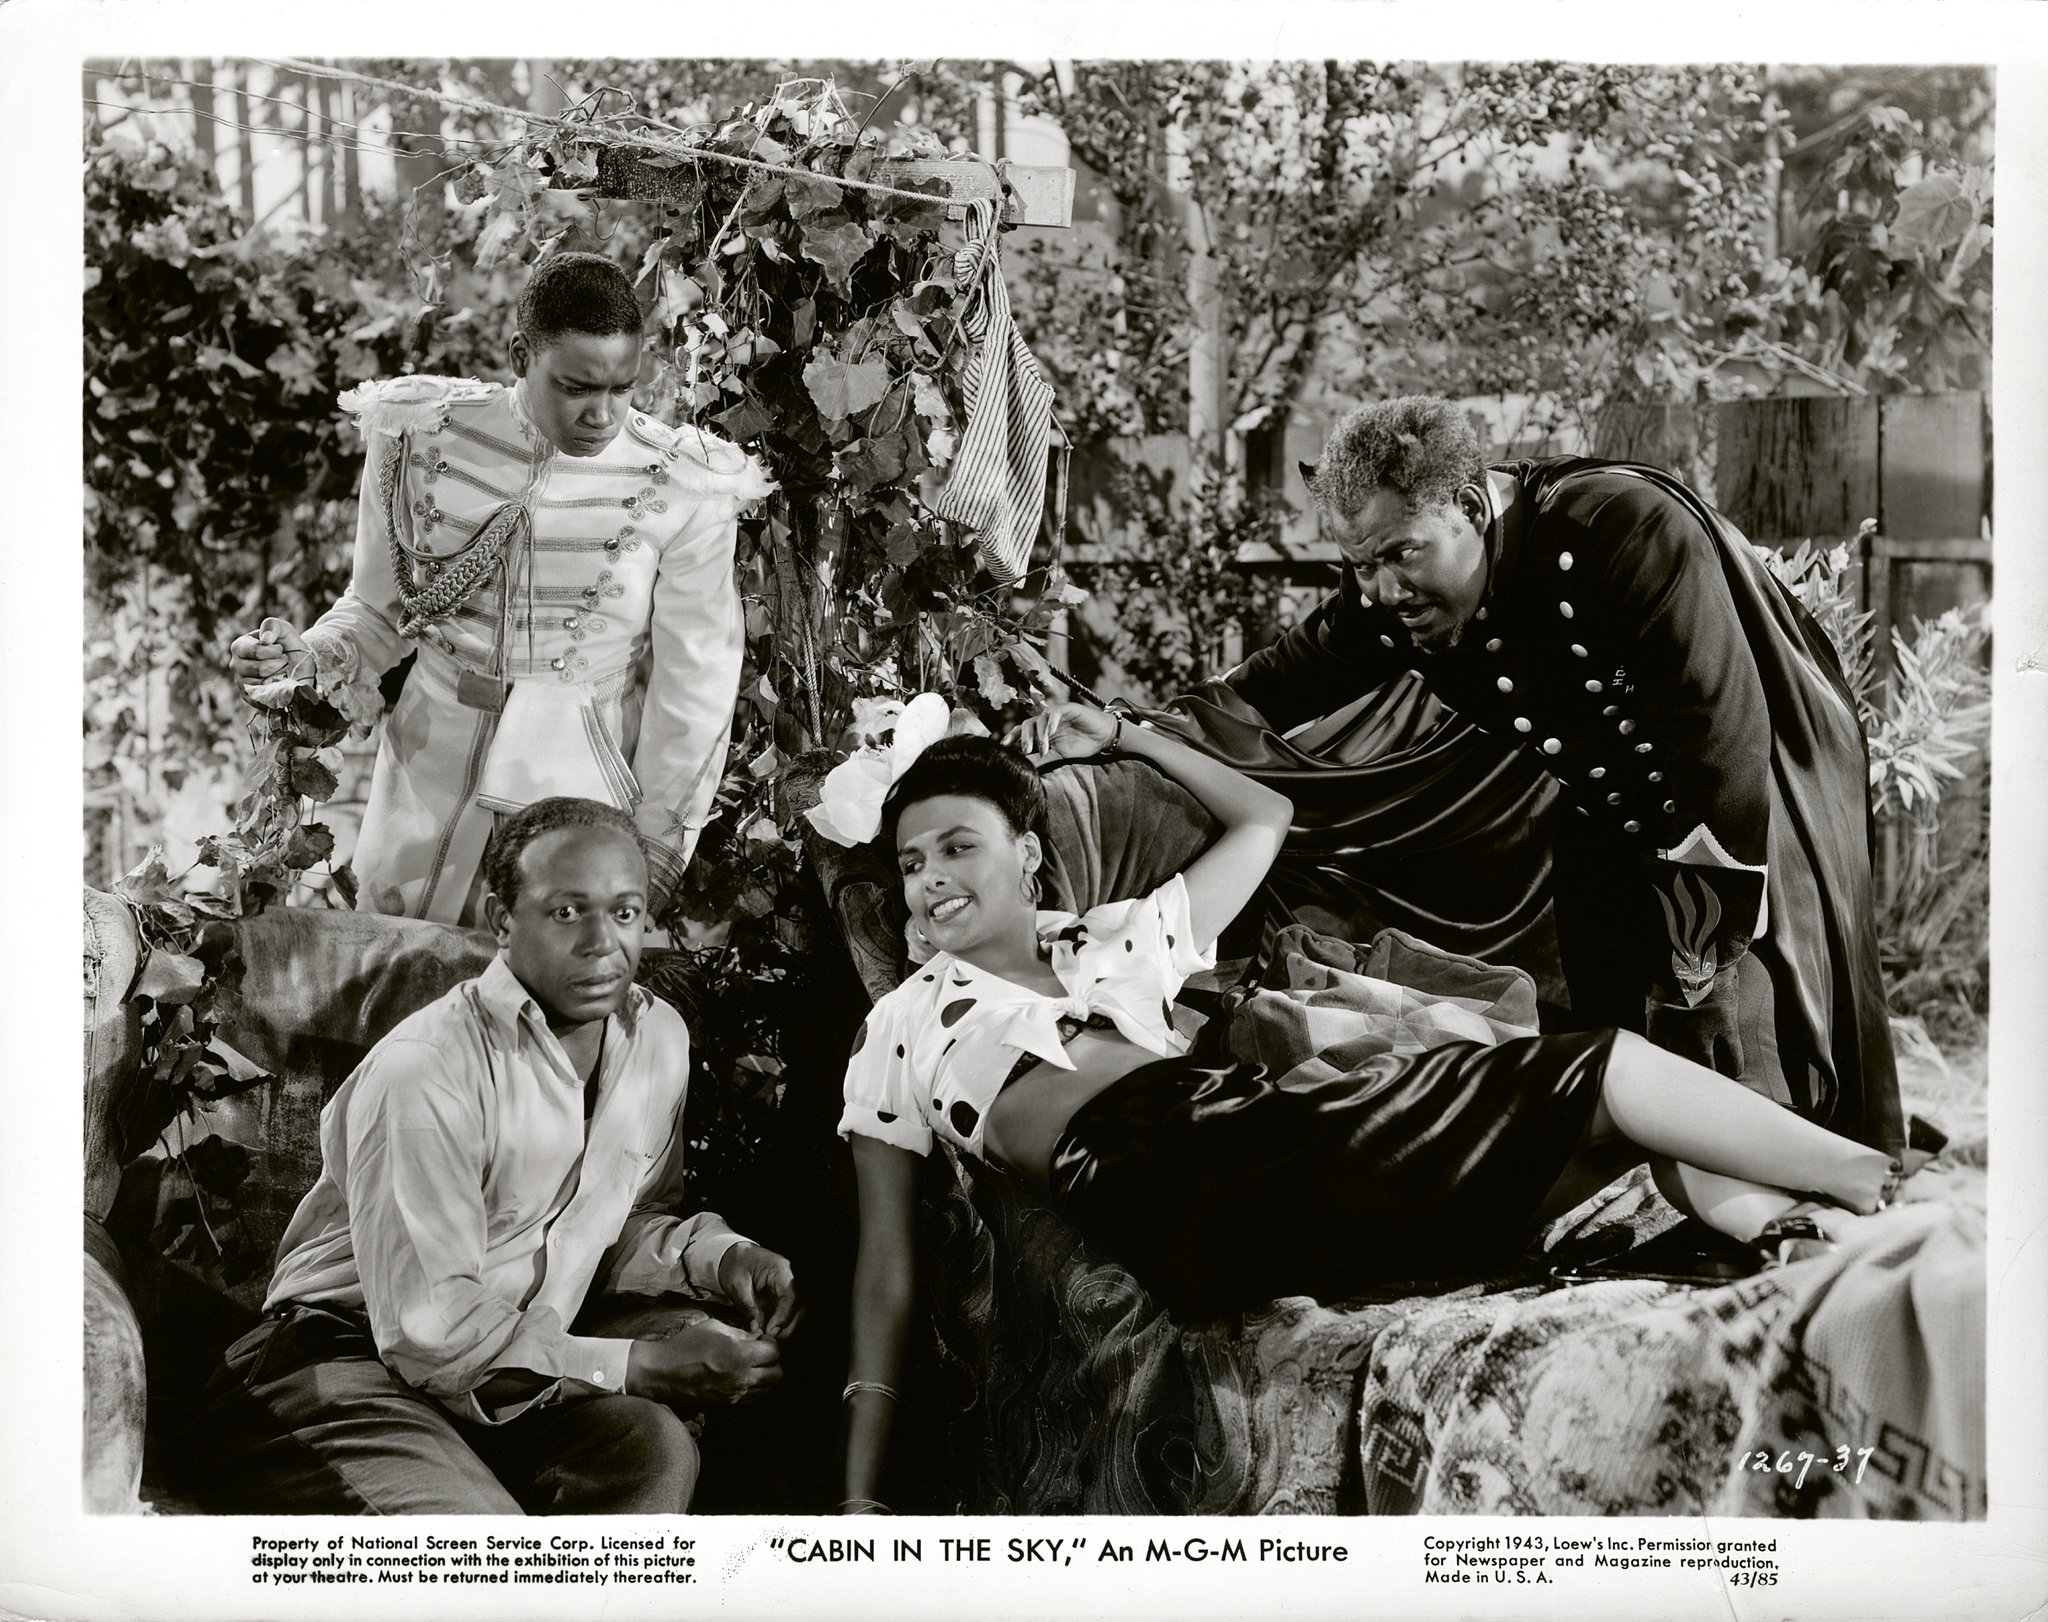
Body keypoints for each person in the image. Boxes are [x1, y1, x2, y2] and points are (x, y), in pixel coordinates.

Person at [835, 703, 1902, 1513]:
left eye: (956, 844)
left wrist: (1125, 731)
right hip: (1173, 1178)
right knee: (1603, 1074)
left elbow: (1266, 815)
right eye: (909, 862)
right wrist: (859, 1490)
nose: (926, 881)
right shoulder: (900, 1023)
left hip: (1267, 1133)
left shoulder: (1112, 939)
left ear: (1025, 854)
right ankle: (1870, 1183)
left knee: (1611, 1090)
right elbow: (886, 1260)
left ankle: (1797, 1229)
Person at [1208, 396, 1902, 1155]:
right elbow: (1272, 685)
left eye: (1401, 553)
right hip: (1609, 815)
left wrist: (1701, 961)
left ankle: (1812, 1197)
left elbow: (1719, 747)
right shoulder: (1394, 601)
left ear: (1470, 506)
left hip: (1749, 812)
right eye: (1360, 565)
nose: (1380, 591)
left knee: (1750, 1055)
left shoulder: (1618, 529)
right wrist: (1125, 730)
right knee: (1615, 1052)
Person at [192, 797, 799, 1515]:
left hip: (500, 1376)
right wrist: (641, 1365)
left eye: (626, 912)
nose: (604, 943)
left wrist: (720, 1257)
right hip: (341, 1364)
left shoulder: (656, 1039)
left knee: (650, 1451)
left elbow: (606, 1225)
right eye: (568, 912)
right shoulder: (428, 1069)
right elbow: (430, 1332)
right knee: (478, 1542)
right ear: (501, 919)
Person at [228, 251, 772, 926]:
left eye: (622, 388)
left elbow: (696, 684)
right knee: (391, 997)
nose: (602, 415)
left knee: (541, 1008)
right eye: (576, 387)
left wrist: (659, 840)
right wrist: (304, 657)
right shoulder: (419, 432)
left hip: (578, 795)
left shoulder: (686, 480)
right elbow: (376, 610)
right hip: (422, 775)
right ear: (521, 355)